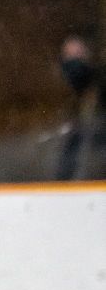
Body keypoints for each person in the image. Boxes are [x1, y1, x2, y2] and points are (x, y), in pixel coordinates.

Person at [55, 33, 102, 180]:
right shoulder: (54, 100)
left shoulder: (97, 93)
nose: (75, 63)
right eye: (69, 55)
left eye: (79, 54)